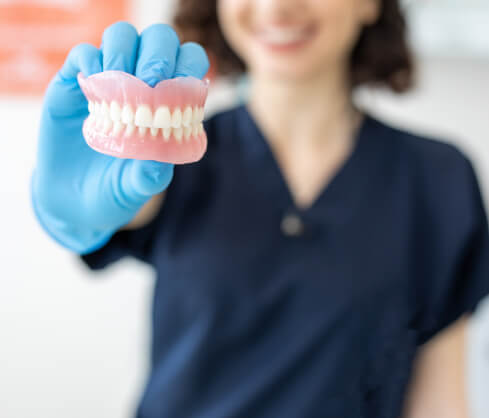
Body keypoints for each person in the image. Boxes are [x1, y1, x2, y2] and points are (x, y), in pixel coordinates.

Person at [31, 0, 489, 417]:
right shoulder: (171, 155)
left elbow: (440, 400)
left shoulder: (438, 178)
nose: (277, 6)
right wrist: (70, 211)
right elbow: (110, 212)